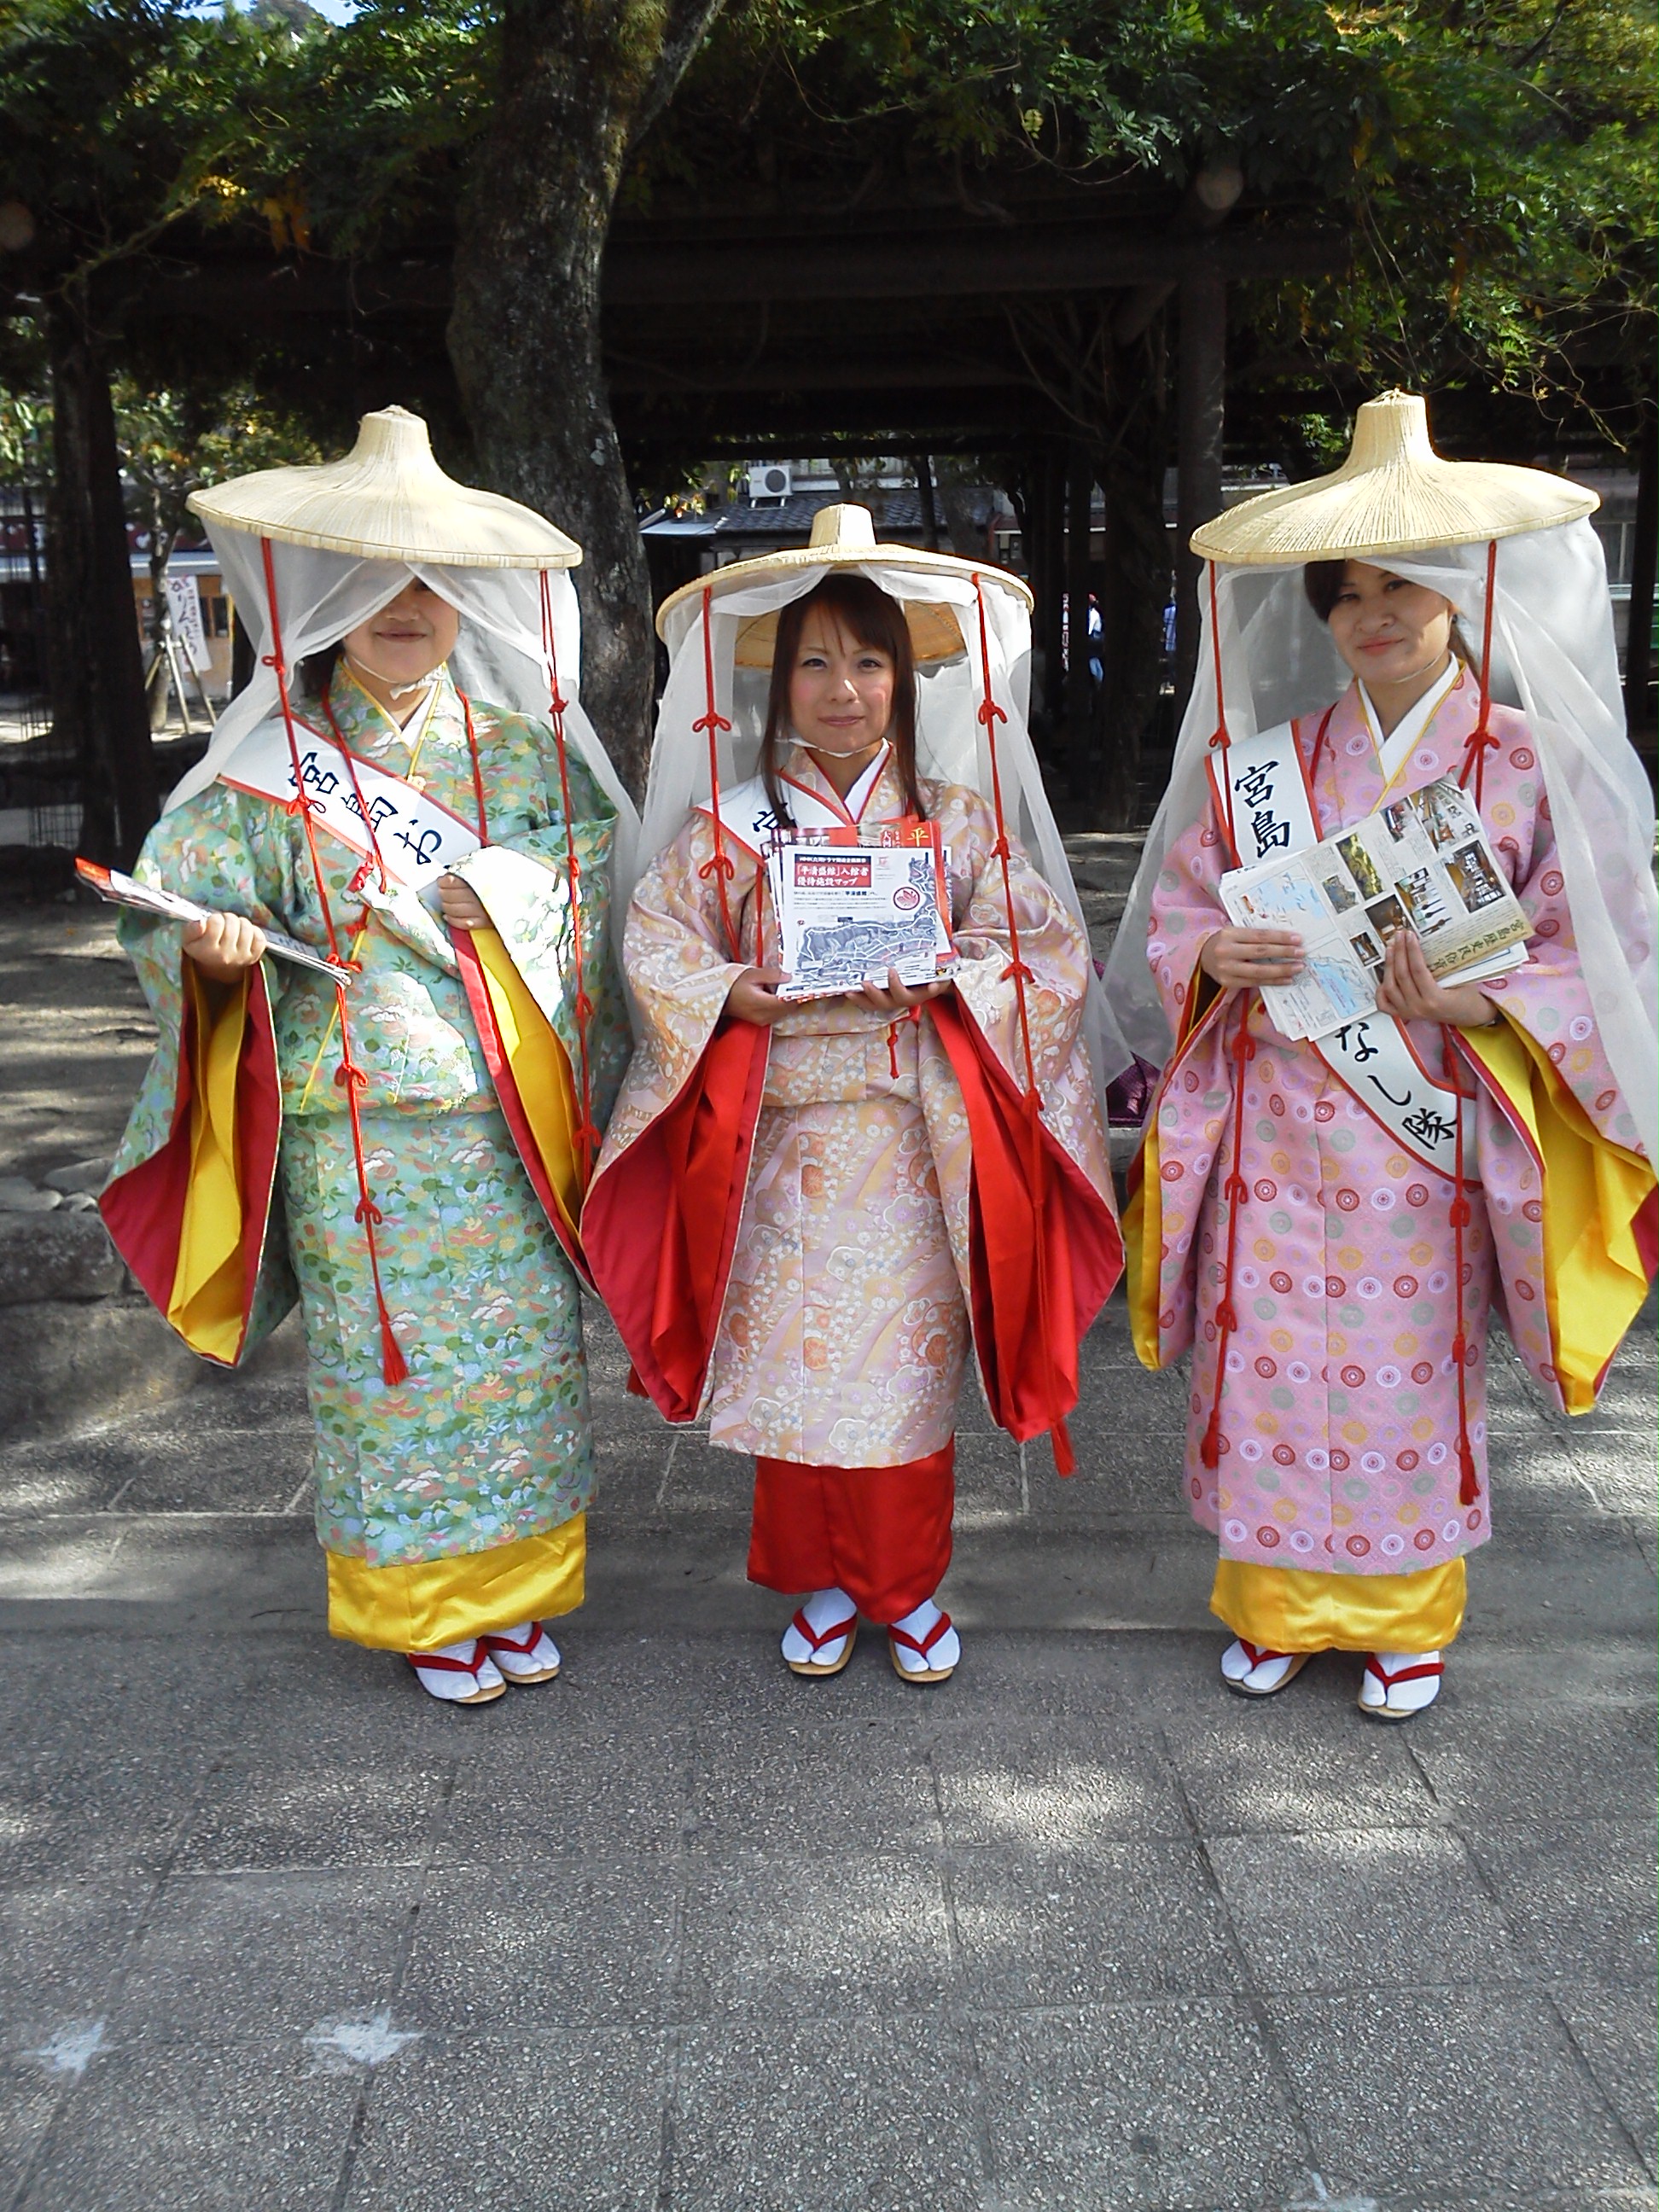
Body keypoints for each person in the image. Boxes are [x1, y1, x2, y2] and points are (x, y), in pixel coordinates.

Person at [1107, 391, 1659, 1720]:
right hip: (1279, 1122)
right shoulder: (1270, 766)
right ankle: (1275, 1603)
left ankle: (1405, 1613)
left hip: (1428, 1126)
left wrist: (1485, 1007)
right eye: (1348, 594)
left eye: (1401, 586)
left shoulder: (1531, 763)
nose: (1376, 614)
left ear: (1462, 591)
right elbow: (1187, 906)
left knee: (1406, 1370)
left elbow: (1608, 951)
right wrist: (1211, 962)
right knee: (1273, 1360)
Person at [101, 407, 635, 1705]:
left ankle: (517, 1592)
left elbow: (584, 887)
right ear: (330, 598)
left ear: (462, 601)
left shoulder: (525, 760)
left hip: (505, 1119)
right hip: (359, 1137)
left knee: (516, 1365)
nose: (405, 606)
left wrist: (501, 899)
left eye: (431, 585)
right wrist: (216, 952)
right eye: (375, 584)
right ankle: (423, 1611)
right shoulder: (270, 767)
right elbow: (174, 900)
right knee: (389, 1376)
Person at [583, 505, 1124, 1683]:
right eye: (816, 662)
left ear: (903, 679)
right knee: (796, 1375)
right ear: (778, 683)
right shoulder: (729, 828)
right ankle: (818, 1577)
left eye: (869, 661)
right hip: (781, 1148)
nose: (843, 687)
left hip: (914, 1140)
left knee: (897, 1377)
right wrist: (737, 991)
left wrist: (955, 976)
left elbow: (1044, 954)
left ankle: (904, 1583)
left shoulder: (957, 821)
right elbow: (657, 942)